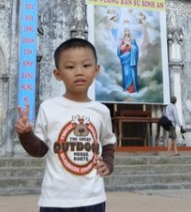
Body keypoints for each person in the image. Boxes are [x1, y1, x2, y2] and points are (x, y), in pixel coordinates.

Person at [16, 38, 117, 212]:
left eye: (86, 65)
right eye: (70, 67)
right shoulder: (48, 108)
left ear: (96, 69)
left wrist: (108, 163)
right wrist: (26, 134)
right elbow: (39, 150)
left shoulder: (101, 111)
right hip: (55, 199)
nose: (79, 72)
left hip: (93, 197)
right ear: (57, 74)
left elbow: (108, 142)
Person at [117, 28, 139, 93]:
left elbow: (136, 49)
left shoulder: (132, 40)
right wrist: (124, 45)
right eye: (125, 31)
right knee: (126, 73)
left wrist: (130, 45)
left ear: (129, 32)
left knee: (131, 73)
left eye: (127, 31)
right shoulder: (123, 40)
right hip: (125, 59)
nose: (126, 32)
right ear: (124, 32)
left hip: (131, 58)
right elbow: (119, 49)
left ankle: (132, 90)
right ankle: (126, 88)